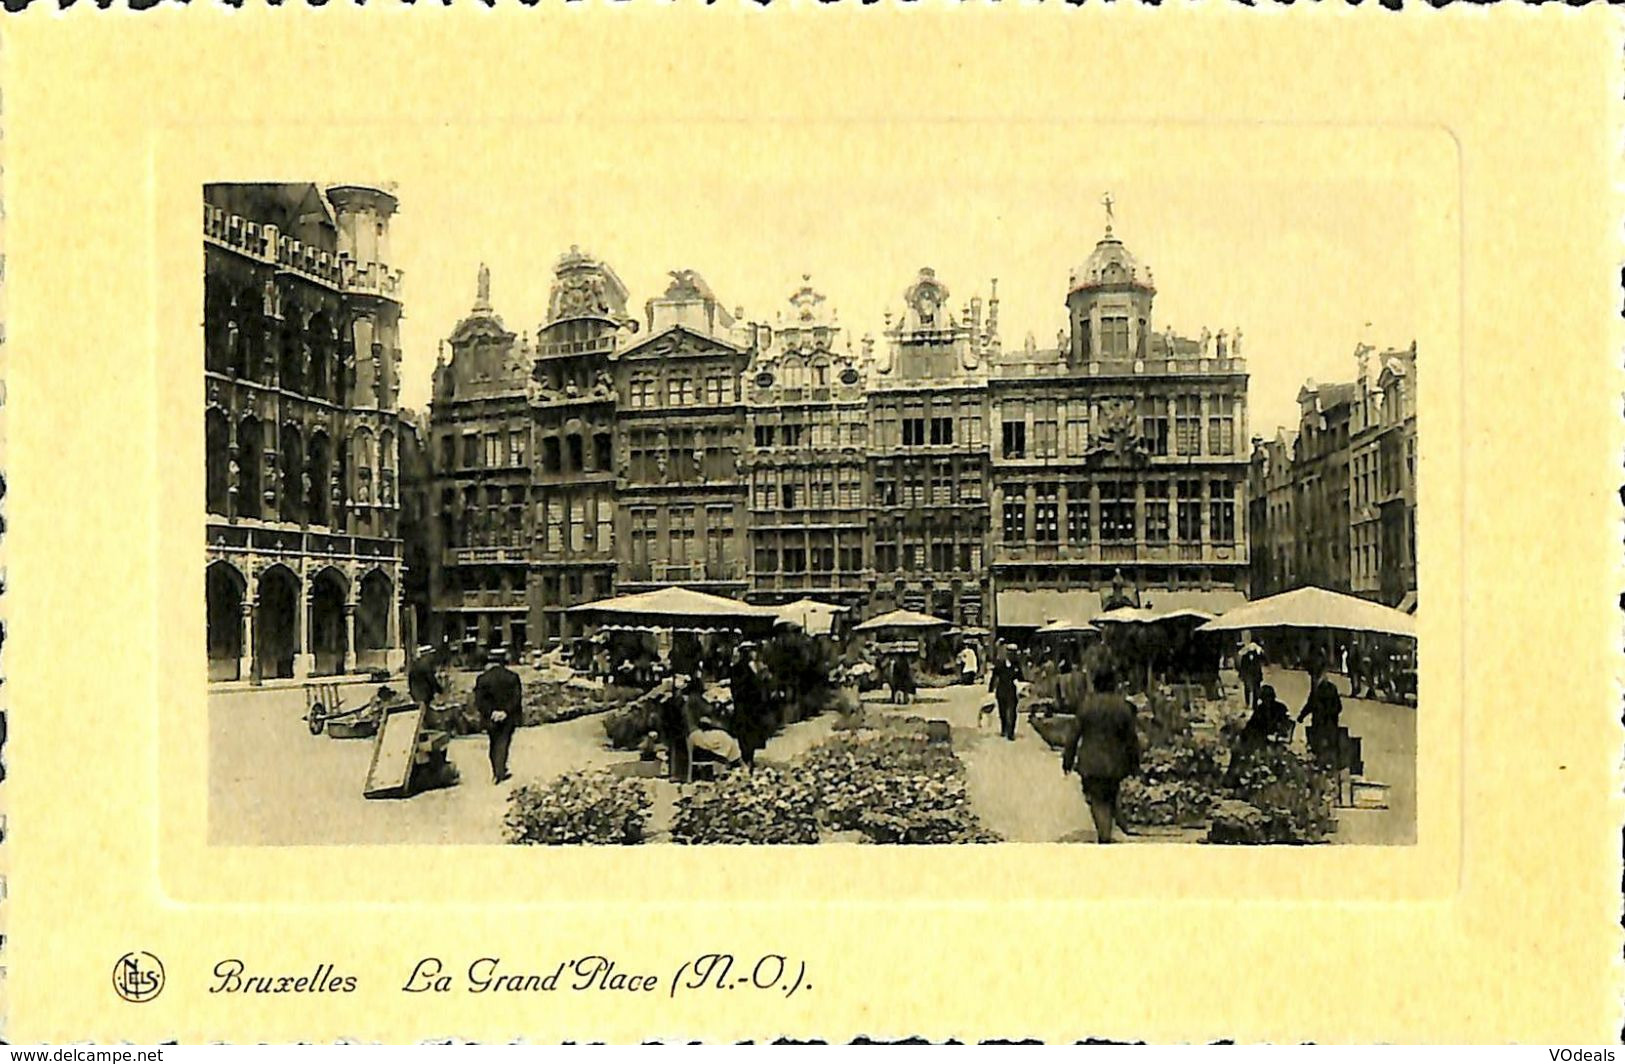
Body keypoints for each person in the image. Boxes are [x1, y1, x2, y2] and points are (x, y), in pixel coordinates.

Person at [1061, 668, 1142, 843]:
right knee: (1110, 797)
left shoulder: (1087, 706)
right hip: (1115, 764)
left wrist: (1067, 760)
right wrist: (1135, 763)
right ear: (1114, 685)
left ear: (1095, 685)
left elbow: (1073, 735)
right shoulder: (1123, 707)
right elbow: (1131, 738)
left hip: (1091, 763)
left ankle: (1104, 837)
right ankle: (1107, 832)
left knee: (1096, 800)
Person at [473, 645, 523, 785]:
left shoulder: (483, 679)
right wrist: (505, 711)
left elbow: (479, 700)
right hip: (508, 717)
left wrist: (491, 712)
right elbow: (516, 698)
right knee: (504, 742)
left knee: (493, 743)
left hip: (491, 717)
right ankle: (500, 771)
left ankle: (497, 770)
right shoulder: (513, 677)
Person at [728, 642, 773, 770]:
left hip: (752, 707)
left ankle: (749, 759)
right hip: (745, 705)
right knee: (746, 734)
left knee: (750, 734)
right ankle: (747, 759)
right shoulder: (739, 669)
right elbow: (740, 687)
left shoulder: (753, 667)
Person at [1296, 653, 1344, 772]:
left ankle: (1323, 768)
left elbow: (1312, 704)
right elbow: (1338, 707)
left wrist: (1302, 716)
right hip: (1327, 723)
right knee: (1326, 748)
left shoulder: (1322, 688)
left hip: (1323, 724)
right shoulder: (1328, 687)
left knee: (1321, 748)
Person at [988, 644, 1022, 741]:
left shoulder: (1017, 665)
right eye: (1010, 652)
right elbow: (994, 677)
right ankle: (1004, 728)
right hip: (1001, 690)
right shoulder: (1000, 664)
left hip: (1012, 691)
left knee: (1012, 712)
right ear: (1007, 653)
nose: (1012, 655)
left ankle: (1011, 732)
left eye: (1014, 653)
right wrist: (991, 690)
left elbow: (1021, 677)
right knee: (1002, 711)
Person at [407, 644, 442, 717]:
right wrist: (439, 690)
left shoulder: (414, 665)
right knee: (425, 712)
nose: (432, 657)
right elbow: (431, 680)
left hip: (416, 693)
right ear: (426, 655)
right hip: (424, 693)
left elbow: (409, 680)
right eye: (431, 654)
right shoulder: (425, 666)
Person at [1236, 631, 1265, 709]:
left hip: (1255, 672)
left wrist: (1259, 650)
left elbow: (1263, 659)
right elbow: (1240, 662)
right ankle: (1247, 703)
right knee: (1247, 687)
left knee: (1256, 688)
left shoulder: (1257, 649)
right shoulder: (1243, 650)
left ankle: (1254, 704)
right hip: (1247, 672)